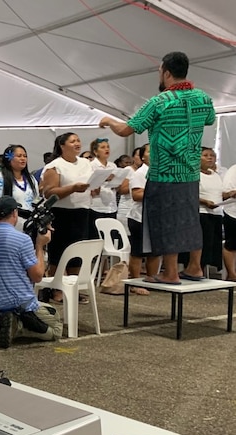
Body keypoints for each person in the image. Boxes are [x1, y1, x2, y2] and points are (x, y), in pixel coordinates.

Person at [99, 51, 215, 284]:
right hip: (191, 172)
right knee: (191, 219)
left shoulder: (159, 102)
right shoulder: (203, 98)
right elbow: (210, 119)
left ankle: (170, 273)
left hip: (165, 172)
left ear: (167, 72)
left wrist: (109, 121)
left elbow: (127, 129)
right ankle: (195, 267)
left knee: (166, 221)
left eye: (160, 71)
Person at [0, 196, 62, 348]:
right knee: (56, 326)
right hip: (19, 300)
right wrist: (39, 245)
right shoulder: (22, 240)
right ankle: (20, 325)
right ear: (14, 213)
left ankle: (4, 322)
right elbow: (37, 276)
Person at [40, 132, 94, 304]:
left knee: (78, 253)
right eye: (73, 141)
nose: (77, 143)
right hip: (61, 213)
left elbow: (90, 184)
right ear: (62, 146)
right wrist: (72, 188)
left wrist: (95, 187)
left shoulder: (86, 163)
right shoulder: (55, 166)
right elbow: (49, 193)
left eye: (78, 140)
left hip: (82, 211)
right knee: (59, 252)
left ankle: (73, 288)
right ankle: (56, 289)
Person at [178, 147, 224, 278]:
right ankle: (192, 268)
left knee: (210, 245)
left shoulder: (216, 176)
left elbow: (218, 194)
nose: (210, 158)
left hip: (215, 214)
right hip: (200, 213)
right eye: (206, 155)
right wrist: (204, 201)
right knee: (199, 243)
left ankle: (200, 269)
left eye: (212, 155)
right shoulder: (192, 174)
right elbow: (187, 194)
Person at [0, 144, 39, 227]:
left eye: (25, 156)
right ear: (9, 159)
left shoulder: (31, 179)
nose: (23, 158)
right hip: (5, 228)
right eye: (19, 156)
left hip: (28, 226)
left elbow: (36, 200)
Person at [126, 144, 152, 295]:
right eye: (150, 151)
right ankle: (135, 282)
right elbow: (136, 195)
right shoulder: (140, 173)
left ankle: (151, 279)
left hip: (156, 218)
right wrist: (157, 193)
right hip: (139, 218)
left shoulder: (161, 172)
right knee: (138, 252)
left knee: (154, 252)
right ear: (142, 157)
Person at [88, 137, 120, 240]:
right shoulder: (91, 165)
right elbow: (90, 186)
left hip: (111, 206)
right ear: (95, 151)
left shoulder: (113, 165)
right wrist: (105, 179)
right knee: (96, 237)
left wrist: (116, 181)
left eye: (108, 147)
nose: (107, 149)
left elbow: (117, 187)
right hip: (96, 206)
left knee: (112, 237)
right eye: (102, 147)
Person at [222, 164, 236, 281]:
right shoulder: (233, 170)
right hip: (233, 212)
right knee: (231, 245)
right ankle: (231, 274)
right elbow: (227, 192)